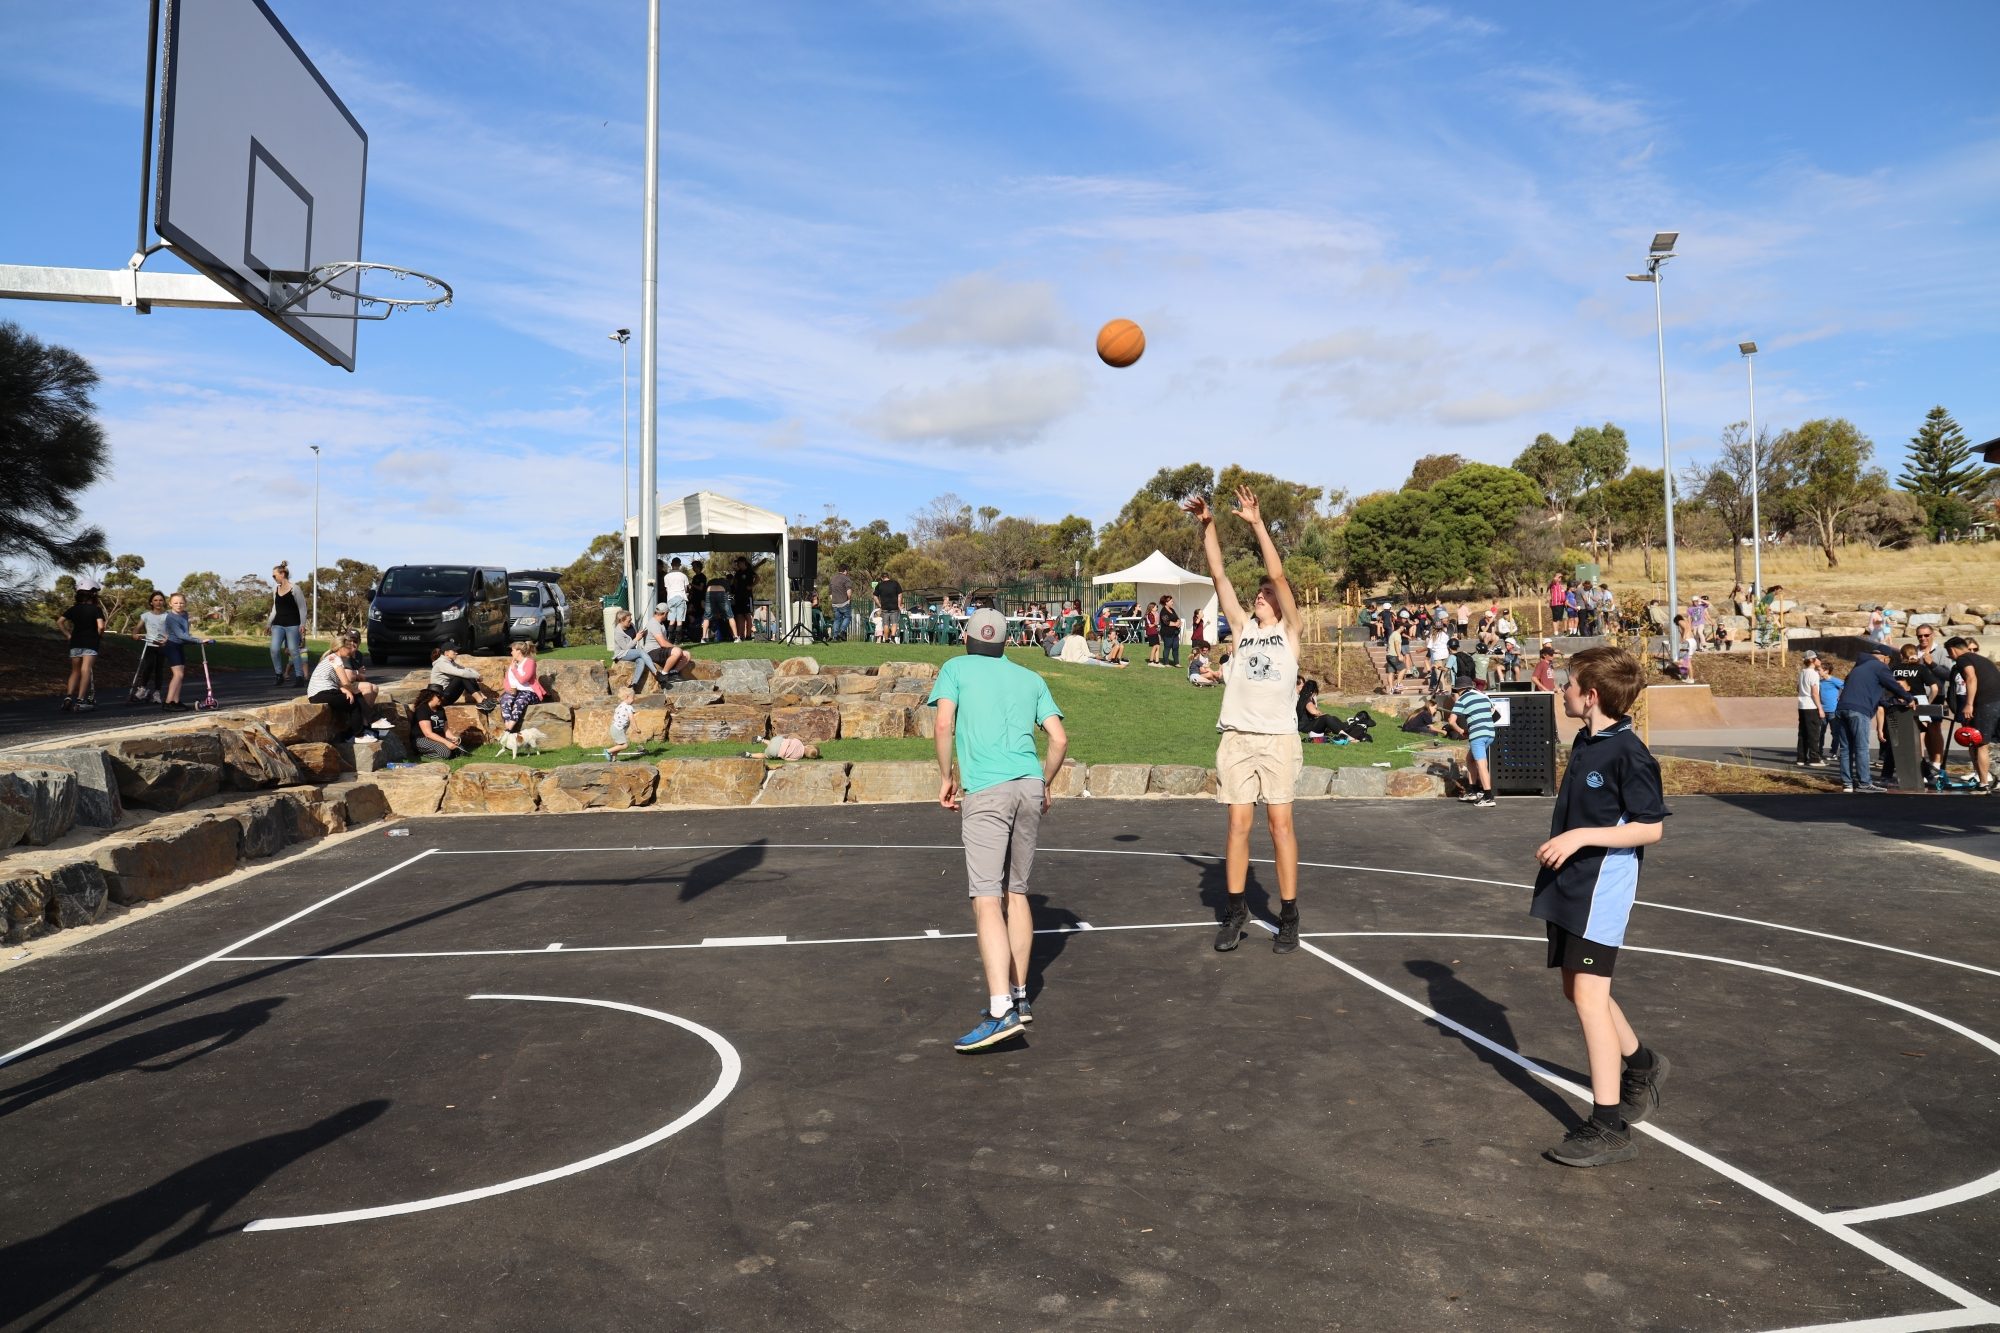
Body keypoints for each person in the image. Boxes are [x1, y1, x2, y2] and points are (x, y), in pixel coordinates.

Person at [1533, 645, 1669, 1168]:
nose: (1560, 690)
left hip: (1601, 891)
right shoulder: (1589, 740)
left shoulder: (1629, 753)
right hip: (1571, 883)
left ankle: (1609, 1126)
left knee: (1590, 995)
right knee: (1576, 987)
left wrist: (1578, 838)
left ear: (1590, 697)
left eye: (1567, 683)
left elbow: (1650, 827)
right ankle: (1642, 1063)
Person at [926, 607, 1068, 1052]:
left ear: (967, 638)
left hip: (987, 788)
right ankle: (1021, 996)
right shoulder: (1030, 678)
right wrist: (1044, 782)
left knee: (986, 898)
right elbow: (1059, 739)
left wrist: (946, 775)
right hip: (1028, 784)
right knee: (1018, 892)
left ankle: (999, 1009)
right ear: (1005, 642)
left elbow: (944, 721)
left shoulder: (955, 667)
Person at [1185, 485, 1305, 955]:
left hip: (1277, 739)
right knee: (1237, 825)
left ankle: (1289, 914)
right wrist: (1209, 526)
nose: (1259, 595)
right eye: (1257, 592)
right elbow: (1218, 575)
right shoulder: (1241, 629)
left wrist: (1257, 524)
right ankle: (1236, 911)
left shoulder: (1290, 632)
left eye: (1266, 594)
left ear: (1280, 603)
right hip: (1237, 737)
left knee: (1280, 826)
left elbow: (1276, 570)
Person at [1833, 642, 1916, 793]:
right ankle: (1865, 783)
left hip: (1841, 709)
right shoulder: (1879, 667)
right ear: (1885, 658)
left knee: (1846, 748)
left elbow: (1872, 694)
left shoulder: (1858, 668)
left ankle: (1847, 784)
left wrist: (1888, 703)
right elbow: (1894, 685)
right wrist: (1909, 698)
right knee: (1861, 747)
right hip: (1859, 711)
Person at [1945, 636, 2000, 792]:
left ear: (1952, 649)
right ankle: (1989, 779)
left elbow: (1970, 677)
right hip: (1997, 702)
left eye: (1949, 653)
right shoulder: (1983, 660)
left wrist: (1969, 704)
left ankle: (1983, 785)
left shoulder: (1963, 659)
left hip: (1986, 704)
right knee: (1987, 743)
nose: (1950, 656)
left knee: (1979, 743)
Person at [307, 634, 378, 741]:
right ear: (341, 648)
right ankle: (359, 735)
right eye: (348, 647)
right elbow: (345, 682)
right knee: (353, 702)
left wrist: (346, 690)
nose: (351, 650)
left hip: (323, 693)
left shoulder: (332, 658)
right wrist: (349, 690)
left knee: (355, 696)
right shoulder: (335, 659)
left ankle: (371, 722)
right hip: (320, 694)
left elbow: (339, 684)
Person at [1449, 674, 1497, 807]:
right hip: (1490, 732)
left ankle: (1488, 796)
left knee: (1481, 765)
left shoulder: (1462, 699)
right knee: (1470, 759)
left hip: (1477, 735)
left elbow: (1451, 721)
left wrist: (1461, 731)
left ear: (1459, 689)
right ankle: (1472, 791)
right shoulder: (1482, 696)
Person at [58, 577, 106, 712]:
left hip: (75, 642)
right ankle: (79, 700)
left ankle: (68, 697)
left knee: (75, 671)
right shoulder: (96, 609)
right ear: (93, 594)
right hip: (91, 643)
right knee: (86, 670)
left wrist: (68, 635)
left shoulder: (74, 609)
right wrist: (99, 634)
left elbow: (60, 622)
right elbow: (101, 626)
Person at [159, 593, 212, 711]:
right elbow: (180, 635)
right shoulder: (171, 617)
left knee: (180, 675)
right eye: (176, 603)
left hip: (179, 645)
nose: (179, 605)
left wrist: (197, 642)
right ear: (170, 604)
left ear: (185, 604)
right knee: (178, 675)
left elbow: (186, 634)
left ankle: (176, 702)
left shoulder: (185, 614)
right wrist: (199, 640)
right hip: (171, 646)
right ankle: (168, 703)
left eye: (181, 603)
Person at [268, 560, 309, 685]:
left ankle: (299, 677)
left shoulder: (295, 589)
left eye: (274, 575)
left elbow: (302, 607)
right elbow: (275, 608)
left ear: (282, 574)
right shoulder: (275, 589)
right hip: (278, 624)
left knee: (293, 650)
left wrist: (302, 624)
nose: (273, 578)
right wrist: (268, 623)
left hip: (293, 624)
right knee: (274, 649)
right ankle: (279, 675)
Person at [498, 640, 545, 737]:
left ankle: (508, 730)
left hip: (530, 692)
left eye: (513, 650)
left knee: (519, 702)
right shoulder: (513, 662)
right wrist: (509, 690)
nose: (511, 652)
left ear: (518, 651)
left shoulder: (530, 662)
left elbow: (523, 680)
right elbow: (506, 680)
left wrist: (514, 669)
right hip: (514, 691)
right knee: (505, 700)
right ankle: (508, 726)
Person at [429, 646, 498, 711]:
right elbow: (462, 673)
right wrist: (477, 677)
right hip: (439, 699)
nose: (456, 653)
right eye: (454, 651)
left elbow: (466, 670)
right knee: (462, 677)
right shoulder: (441, 664)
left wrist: (477, 675)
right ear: (446, 653)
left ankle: (483, 699)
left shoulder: (450, 662)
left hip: (448, 697)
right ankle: (480, 701)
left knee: (469, 675)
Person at [409, 686, 467, 760]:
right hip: (422, 739)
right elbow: (428, 733)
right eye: (439, 696)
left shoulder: (441, 709)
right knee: (445, 753)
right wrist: (446, 742)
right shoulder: (422, 709)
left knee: (459, 749)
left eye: (442, 696)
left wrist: (453, 738)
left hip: (438, 737)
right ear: (431, 696)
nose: (442, 698)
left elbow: (445, 729)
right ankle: (423, 755)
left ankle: (448, 754)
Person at [134, 590, 171, 703]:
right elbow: (137, 628)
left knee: (159, 669)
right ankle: (143, 689)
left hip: (162, 645)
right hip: (149, 644)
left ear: (164, 602)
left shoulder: (167, 616)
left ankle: (157, 693)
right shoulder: (146, 616)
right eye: (155, 600)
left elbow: (171, 630)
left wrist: (166, 639)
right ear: (151, 602)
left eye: (160, 600)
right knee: (148, 666)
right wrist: (135, 634)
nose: (158, 602)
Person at [1795, 650, 1826, 767]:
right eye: (1817, 658)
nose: (1819, 660)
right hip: (1811, 706)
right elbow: (1815, 693)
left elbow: (1798, 688)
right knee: (1813, 733)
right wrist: (1820, 708)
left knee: (1802, 732)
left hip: (1802, 705)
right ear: (1812, 660)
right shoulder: (1813, 674)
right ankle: (1814, 759)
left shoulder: (1802, 672)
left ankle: (1801, 758)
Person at [605, 686, 638, 761]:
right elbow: (632, 719)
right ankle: (608, 751)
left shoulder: (620, 705)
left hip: (614, 727)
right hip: (618, 729)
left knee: (619, 745)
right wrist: (636, 728)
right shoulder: (629, 707)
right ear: (627, 697)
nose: (634, 700)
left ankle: (614, 760)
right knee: (625, 745)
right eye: (633, 698)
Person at [663, 558, 690, 642]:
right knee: (679, 620)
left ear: (671, 564)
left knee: (671, 620)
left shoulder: (666, 576)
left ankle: (670, 639)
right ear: (680, 565)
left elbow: (667, 589)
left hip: (670, 598)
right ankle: (678, 640)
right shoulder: (683, 576)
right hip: (681, 597)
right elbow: (686, 589)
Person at [730, 556, 755, 642]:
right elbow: (733, 582)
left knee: (747, 615)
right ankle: (740, 635)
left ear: (743, 562)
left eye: (739, 563)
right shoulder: (738, 573)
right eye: (737, 564)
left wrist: (751, 586)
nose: (738, 565)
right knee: (739, 615)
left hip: (747, 596)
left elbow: (758, 578)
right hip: (738, 596)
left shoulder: (750, 571)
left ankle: (748, 635)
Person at [874, 571, 903, 645]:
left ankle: (886, 639)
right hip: (894, 607)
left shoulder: (879, 585)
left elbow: (875, 596)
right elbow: (900, 595)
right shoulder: (895, 583)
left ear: (881, 578)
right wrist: (899, 605)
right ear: (888, 577)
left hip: (884, 607)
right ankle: (892, 638)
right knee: (894, 623)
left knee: (885, 624)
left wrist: (879, 605)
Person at [828, 565, 854, 642]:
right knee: (848, 617)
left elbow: (830, 593)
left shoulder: (832, 579)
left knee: (837, 620)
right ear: (845, 571)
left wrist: (834, 600)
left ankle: (835, 636)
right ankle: (842, 631)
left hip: (835, 603)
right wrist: (849, 599)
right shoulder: (846, 579)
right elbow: (848, 591)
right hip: (844, 602)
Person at [1159, 594, 1182, 668]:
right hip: (1167, 633)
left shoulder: (1172, 610)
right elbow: (1166, 622)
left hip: (1175, 632)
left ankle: (1176, 663)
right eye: (1171, 601)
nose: (1173, 602)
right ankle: (1166, 663)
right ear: (1166, 602)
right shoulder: (1163, 611)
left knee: (1176, 647)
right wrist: (1175, 624)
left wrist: (1179, 622)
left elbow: (1177, 618)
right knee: (1167, 647)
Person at [1143, 600, 1161, 665]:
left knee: (1158, 646)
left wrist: (1156, 624)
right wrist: (1155, 623)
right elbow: (1150, 625)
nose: (1157, 608)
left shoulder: (1156, 614)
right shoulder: (1149, 615)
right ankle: (1151, 661)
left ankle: (1157, 661)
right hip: (1151, 632)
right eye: (1156, 607)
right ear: (1152, 608)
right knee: (1155, 646)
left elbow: (1156, 623)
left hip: (1155, 632)